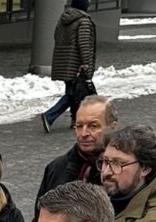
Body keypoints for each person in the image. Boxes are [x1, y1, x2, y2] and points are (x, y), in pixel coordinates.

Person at [32, 95, 117, 222]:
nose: (83, 133)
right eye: (78, 126)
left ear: (112, 126)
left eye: (93, 126)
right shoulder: (57, 168)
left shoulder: (125, 168)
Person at [41, 0, 96, 133]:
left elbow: (56, 37)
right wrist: (85, 64)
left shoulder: (64, 19)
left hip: (65, 61)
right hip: (76, 63)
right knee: (72, 94)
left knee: (75, 92)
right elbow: (84, 44)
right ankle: (49, 116)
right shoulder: (83, 21)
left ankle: (75, 120)